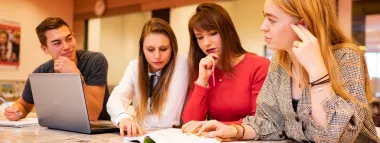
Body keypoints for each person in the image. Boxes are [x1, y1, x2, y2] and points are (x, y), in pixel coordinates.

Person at [190, 0, 380, 142]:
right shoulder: (280, 62)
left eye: (271, 20)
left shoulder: (345, 57)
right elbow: (270, 122)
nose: (262, 27)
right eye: (265, 17)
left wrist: (317, 71)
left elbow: (337, 137)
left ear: (302, 24)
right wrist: (234, 131)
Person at [181, 3, 270, 133]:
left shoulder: (259, 66)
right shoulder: (203, 71)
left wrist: (219, 126)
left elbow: (261, 122)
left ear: (227, 31)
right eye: (200, 37)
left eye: (213, 33)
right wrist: (202, 81)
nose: (206, 43)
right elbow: (190, 124)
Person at [4, 17, 110, 121]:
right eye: (57, 43)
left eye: (69, 39)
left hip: (100, 131)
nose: (66, 46)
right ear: (45, 49)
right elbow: (23, 105)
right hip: (62, 129)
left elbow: (92, 115)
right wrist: (16, 110)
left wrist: (75, 75)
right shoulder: (41, 73)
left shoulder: (95, 61)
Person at [107, 18, 188, 137]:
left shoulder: (181, 64)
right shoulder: (135, 66)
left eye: (163, 49)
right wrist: (124, 118)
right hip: (144, 135)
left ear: (173, 48)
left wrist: (137, 119)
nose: (157, 56)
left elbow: (168, 120)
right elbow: (115, 99)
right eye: (150, 50)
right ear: (142, 50)